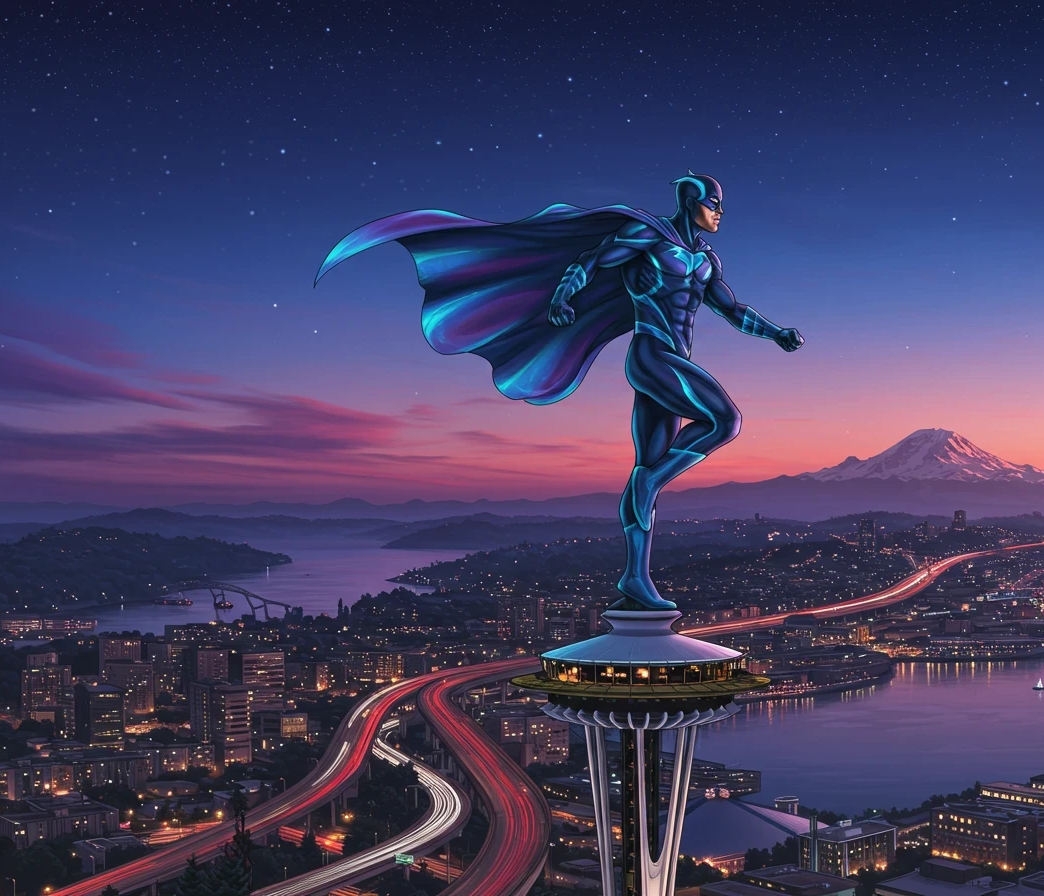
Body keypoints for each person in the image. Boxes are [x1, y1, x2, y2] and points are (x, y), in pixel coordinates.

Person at [316, 172, 802, 611]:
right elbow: (590, 260)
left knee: (643, 468)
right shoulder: (649, 237)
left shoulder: (705, 260)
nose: (720, 213)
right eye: (714, 204)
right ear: (691, 201)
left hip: (675, 360)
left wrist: (776, 332)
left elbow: (733, 309)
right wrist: (562, 297)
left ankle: (635, 577)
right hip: (654, 355)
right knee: (725, 421)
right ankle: (654, 484)